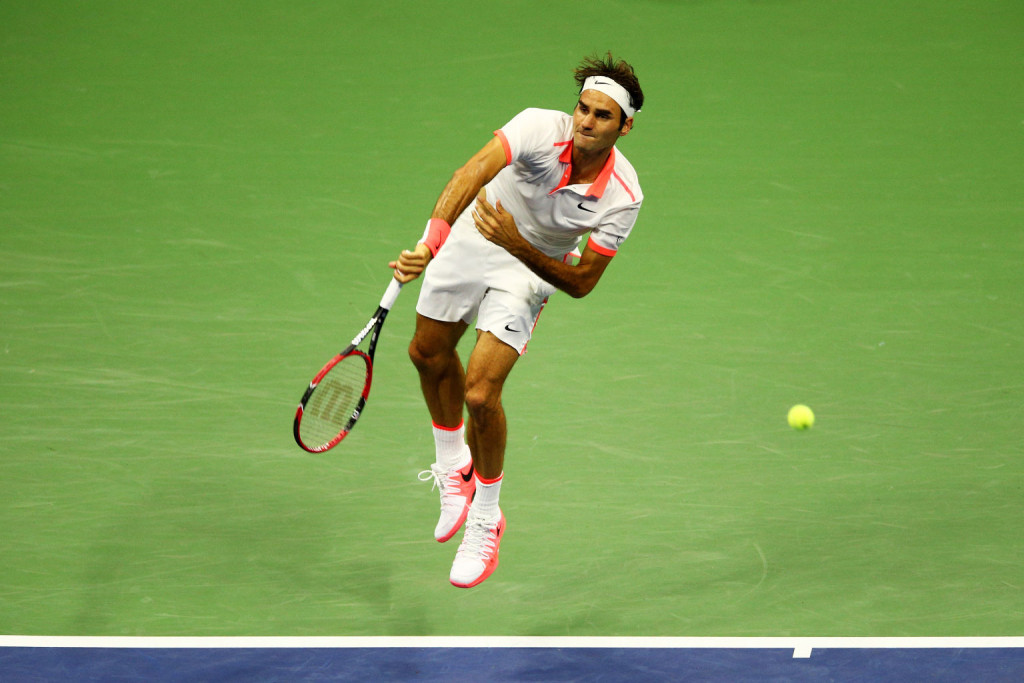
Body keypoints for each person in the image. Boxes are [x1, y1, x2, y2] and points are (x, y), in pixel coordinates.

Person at [390, 53, 644, 588]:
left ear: (625, 126)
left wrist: (515, 242)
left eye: (601, 116)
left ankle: (486, 517)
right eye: (582, 108)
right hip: (475, 232)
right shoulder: (535, 125)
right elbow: (471, 173)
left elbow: (580, 283)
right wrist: (429, 245)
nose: (585, 122)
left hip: (530, 271)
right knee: (426, 353)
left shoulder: (624, 197)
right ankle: (454, 465)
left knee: (481, 395)